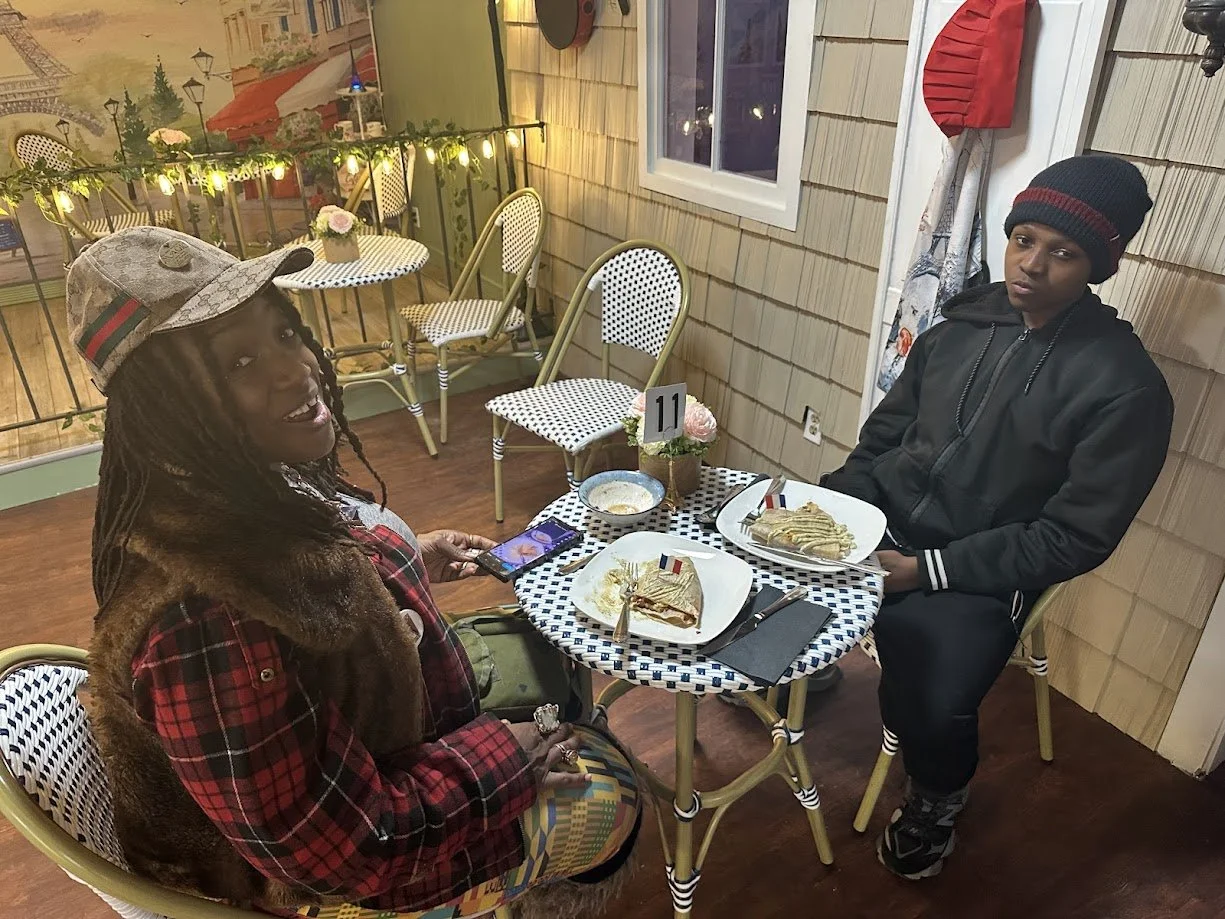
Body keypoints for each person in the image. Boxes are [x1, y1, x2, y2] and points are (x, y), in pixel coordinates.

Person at [71, 228, 640, 918]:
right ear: (164, 408)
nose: (297, 369)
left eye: (285, 333)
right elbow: (339, 851)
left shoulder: (229, 485)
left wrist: (402, 559)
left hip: (390, 758)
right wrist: (505, 759)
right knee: (614, 795)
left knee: (547, 668)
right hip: (348, 886)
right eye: (240, 361)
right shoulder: (204, 622)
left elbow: (307, 600)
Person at [822, 155, 1173, 880]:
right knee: (771, 565)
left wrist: (924, 572)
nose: (1031, 265)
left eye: (1063, 252)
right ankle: (804, 668)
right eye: (1023, 239)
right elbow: (884, 434)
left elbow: (1075, 535)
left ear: (1099, 265)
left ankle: (936, 796)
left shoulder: (1124, 387)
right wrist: (840, 507)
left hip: (978, 564)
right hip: (884, 515)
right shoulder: (961, 323)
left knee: (933, 684)